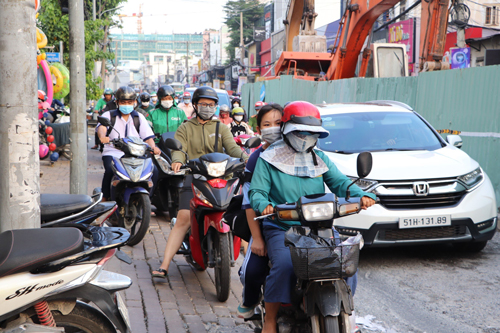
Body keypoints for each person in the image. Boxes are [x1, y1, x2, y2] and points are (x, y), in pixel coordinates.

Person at [249, 101, 376, 333]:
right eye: (300, 132)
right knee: (285, 265)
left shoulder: (320, 158)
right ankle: (270, 320)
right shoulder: (268, 158)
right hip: (281, 226)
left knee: (346, 261)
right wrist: (264, 205)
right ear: (287, 130)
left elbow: (341, 183)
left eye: (311, 133)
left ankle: (347, 311)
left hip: (320, 224)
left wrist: (362, 196)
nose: (305, 137)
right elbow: (257, 191)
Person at [151, 86, 249, 279]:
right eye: (203, 104)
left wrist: (246, 158)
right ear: (195, 105)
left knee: (241, 213)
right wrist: (177, 159)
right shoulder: (186, 127)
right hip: (195, 178)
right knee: (183, 219)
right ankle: (164, 265)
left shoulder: (221, 128)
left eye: (211, 105)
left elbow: (233, 148)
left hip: (222, 179)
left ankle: (249, 262)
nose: (207, 107)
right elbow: (179, 148)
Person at [237, 104, 283, 319]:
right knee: (253, 271)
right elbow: (248, 203)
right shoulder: (257, 159)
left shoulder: (301, 152)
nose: (273, 128)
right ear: (258, 129)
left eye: (279, 124)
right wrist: (256, 238)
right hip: (267, 224)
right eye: (267, 124)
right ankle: (251, 301)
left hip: (300, 221)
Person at [96, 86, 161, 201]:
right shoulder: (109, 115)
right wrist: (103, 137)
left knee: (153, 170)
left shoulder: (139, 117)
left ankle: (147, 198)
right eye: (123, 102)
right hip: (113, 152)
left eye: (129, 102)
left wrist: (153, 147)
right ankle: (105, 198)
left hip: (135, 153)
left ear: (135, 102)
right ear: (117, 102)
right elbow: (102, 128)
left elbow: (148, 137)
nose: (126, 104)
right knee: (110, 170)